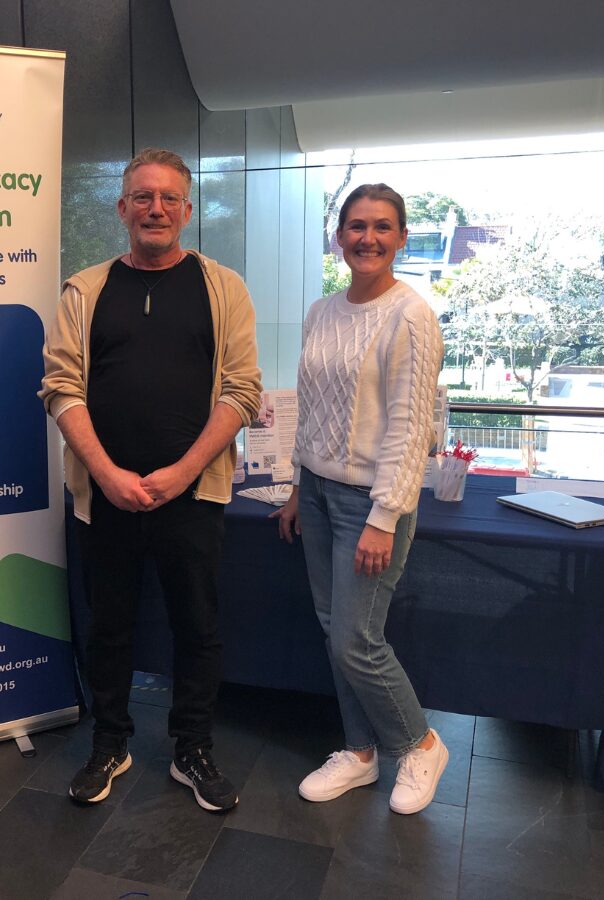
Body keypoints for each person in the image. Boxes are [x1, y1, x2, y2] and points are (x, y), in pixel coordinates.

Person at [40, 148, 261, 812]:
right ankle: (110, 743)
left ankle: (192, 749)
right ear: (122, 208)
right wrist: (105, 474)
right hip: (104, 497)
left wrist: (182, 472)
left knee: (197, 626)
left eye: (168, 198)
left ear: (187, 211)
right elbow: (60, 388)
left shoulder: (223, 288)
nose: (155, 208)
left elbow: (242, 390)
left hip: (193, 495)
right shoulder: (85, 290)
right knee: (108, 625)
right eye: (142, 197)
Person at [272, 183, 447, 815]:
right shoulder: (321, 312)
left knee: (356, 640)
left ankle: (419, 742)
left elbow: (410, 428)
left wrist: (382, 518)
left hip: (369, 506)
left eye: (381, 226)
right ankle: (360, 752)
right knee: (332, 628)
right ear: (338, 236)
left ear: (401, 237)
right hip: (317, 493)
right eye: (355, 226)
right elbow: (312, 410)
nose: (366, 238)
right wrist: (296, 486)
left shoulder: (411, 316)